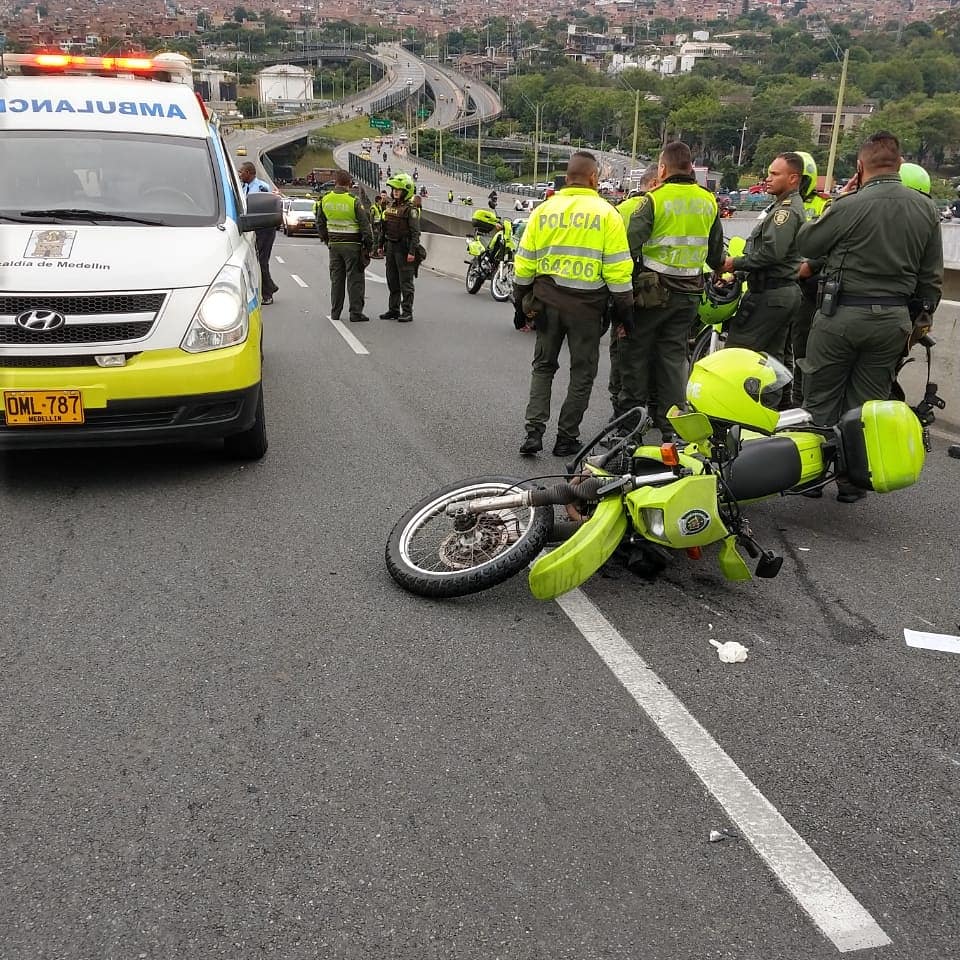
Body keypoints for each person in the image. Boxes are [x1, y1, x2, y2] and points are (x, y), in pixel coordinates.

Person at [797, 131, 942, 502]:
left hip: (841, 315)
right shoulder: (926, 209)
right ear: (901, 163)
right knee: (866, 403)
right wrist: (913, 320)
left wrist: (841, 199)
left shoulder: (850, 204)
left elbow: (807, 244)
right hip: (892, 320)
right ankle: (851, 481)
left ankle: (813, 476)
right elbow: (931, 280)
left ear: (860, 167)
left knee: (821, 396)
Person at [512, 151, 635, 457]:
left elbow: (524, 265)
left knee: (543, 367)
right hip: (587, 311)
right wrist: (626, 316)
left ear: (567, 178)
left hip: (546, 304)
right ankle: (566, 437)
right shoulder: (608, 214)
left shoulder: (544, 210)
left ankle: (533, 433)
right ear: (594, 178)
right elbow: (619, 274)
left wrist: (519, 307)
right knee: (582, 373)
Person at [620, 141, 725, 436]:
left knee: (636, 354)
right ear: (691, 167)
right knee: (673, 358)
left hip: (653, 294)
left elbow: (628, 244)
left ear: (662, 169)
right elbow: (716, 254)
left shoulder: (655, 200)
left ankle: (630, 425)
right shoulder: (708, 201)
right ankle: (671, 427)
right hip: (690, 295)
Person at [722, 153, 806, 364]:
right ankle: (777, 398)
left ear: (793, 178)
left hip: (770, 293)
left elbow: (772, 253)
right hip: (779, 292)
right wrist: (739, 274)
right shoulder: (781, 207)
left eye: (775, 174)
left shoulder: (784, 213)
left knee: (739, 353)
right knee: (772, 360)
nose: (768, 178)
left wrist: (735, 264)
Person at [608, 168, 660, 422]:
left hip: (629, 291)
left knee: (624, 350)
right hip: (656, 293)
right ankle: (649, 408)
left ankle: (621, 408)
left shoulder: (622, 210)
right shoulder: (655, 206)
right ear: (652, 183)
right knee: (653, 352)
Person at [789, 151, 832, 407]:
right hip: (787, 281)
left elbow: (825, 246)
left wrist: (808, 267)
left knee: (802, 350)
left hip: (810, 287)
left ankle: (800, 401)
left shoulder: (823, 205)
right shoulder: (780, 204)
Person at [317, 169, 374, 323]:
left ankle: (335, 313)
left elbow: (320, 223)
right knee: (355, 280)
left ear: (335, 182)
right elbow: (365, 226)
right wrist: (369, 247)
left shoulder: (326, 199)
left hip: (334, 246)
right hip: (353, 246)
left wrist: (327, 240)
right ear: (349, 183)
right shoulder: (353, 201)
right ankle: (355, 313)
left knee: (337, 280)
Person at [379, 172, 421, 323]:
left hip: (404, 248)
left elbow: (416, 233)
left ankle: (407, 311)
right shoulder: (390, 207)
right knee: (392, 280)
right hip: (390, 246)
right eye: (394, 189)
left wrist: (412, 251)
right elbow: (384, 227)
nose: (395, 191)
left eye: (398, 189)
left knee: (406, 282)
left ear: (406, 191)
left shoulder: (411, 210)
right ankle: (393, 309)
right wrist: (380, 245)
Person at [238, 162, 278, 305]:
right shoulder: (242, 186)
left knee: (261, 261)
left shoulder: (261, 187)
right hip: (252, 227)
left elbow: (265, 207)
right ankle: (270, 286)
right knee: (255, 261)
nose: (239, 173)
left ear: (249, 173)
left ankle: (267, 294)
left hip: (264, 228)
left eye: (241, 171)